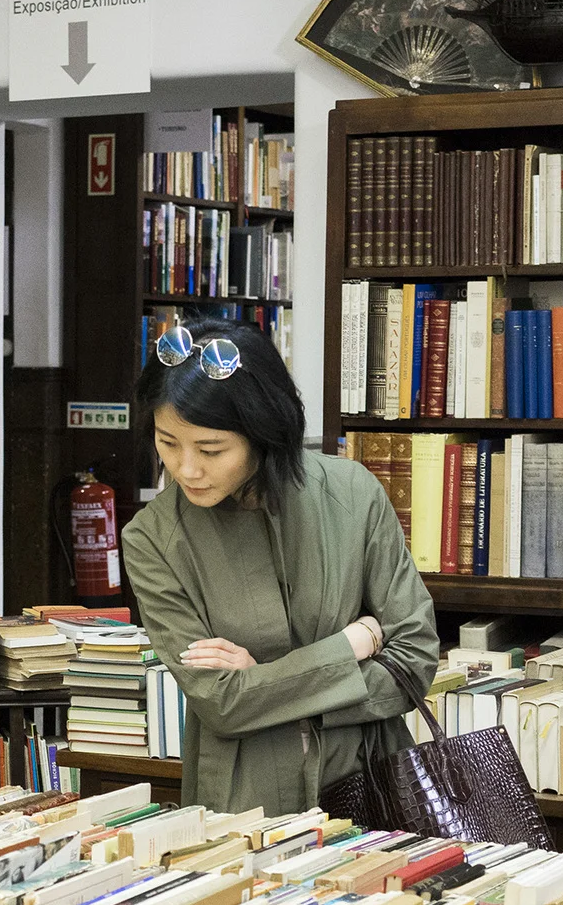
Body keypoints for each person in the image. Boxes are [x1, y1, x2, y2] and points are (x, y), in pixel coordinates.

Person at [120, 318, 439, 818]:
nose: (186, 469)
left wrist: (265, 682)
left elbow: (413, 661)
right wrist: (350, 648)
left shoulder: (353, 494)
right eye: (167, 442)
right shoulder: (152, 542)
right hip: (244, 803)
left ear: (263, 432)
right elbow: (222, 704)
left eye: (210, 449)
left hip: (370, 784)